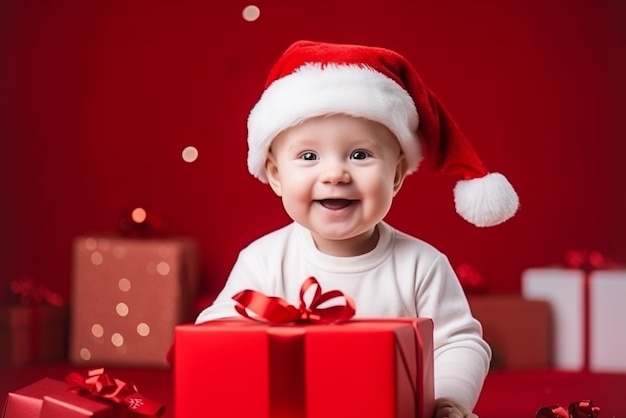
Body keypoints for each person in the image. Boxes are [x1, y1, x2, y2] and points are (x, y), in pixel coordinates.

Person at [196, 40, 519, 418]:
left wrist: (447, 401)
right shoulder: (264, 260)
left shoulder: (422, 265)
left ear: (396, 175)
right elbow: (217, 331)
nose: (335, 174)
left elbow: (459, 344)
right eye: (309, 156)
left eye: (360, 154)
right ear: (275, 175)